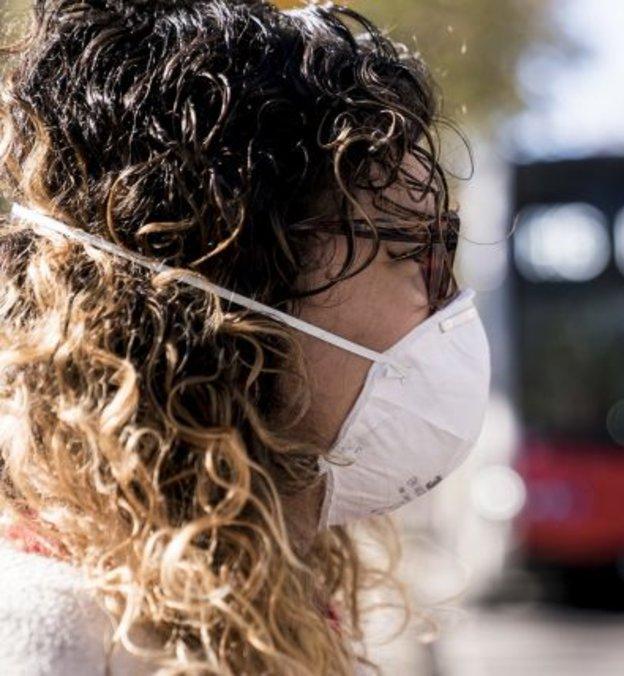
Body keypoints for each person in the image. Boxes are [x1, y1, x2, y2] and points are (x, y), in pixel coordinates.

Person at [0, 0, 490, 673]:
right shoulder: (48, 643)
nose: (453, 304)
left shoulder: (277, 608)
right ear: (236, 283)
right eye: (420, 250)